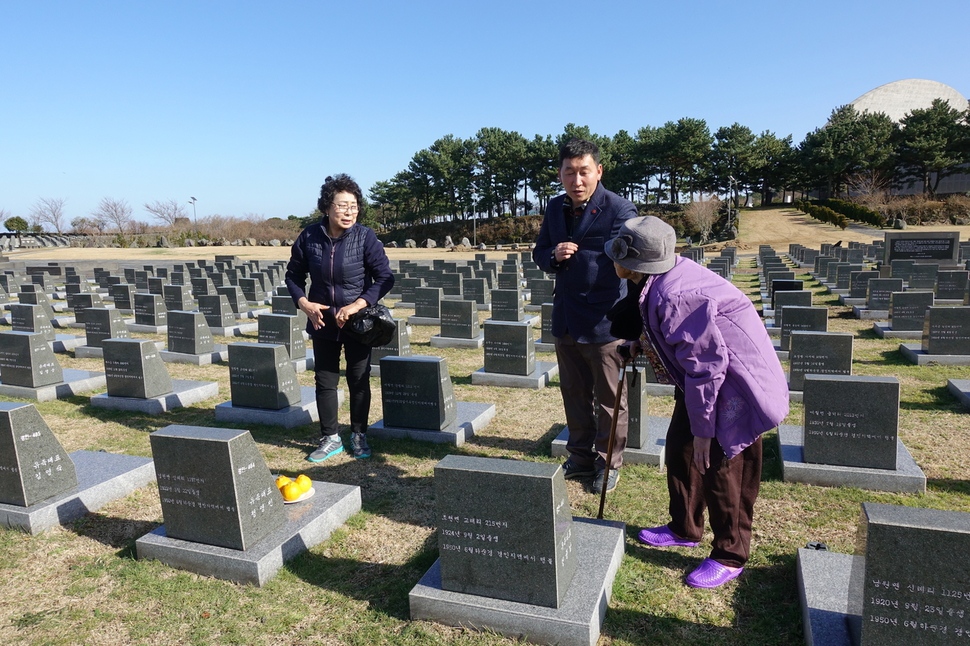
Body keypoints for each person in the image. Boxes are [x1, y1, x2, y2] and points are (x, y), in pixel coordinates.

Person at [604, 216, 789, 589]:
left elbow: (707, 367)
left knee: (721, 468)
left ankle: (730, 553)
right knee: (681, 452)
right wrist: (641, 344)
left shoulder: (676, 295)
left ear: (632, 262)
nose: (610, 259)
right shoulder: (659, 279)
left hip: (735, 388)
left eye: (615, 253)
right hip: (704, 382)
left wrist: (705, 430)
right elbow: (678, 337)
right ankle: (685, 527)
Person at [532, 138, 637, 494]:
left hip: (605, 320)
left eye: (584, 172)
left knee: (609, 401)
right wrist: (553, 255)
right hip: (566, 317)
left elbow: (627, 260)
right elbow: (540, 250)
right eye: (569, 172)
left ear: (598, 171)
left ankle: (608, 465)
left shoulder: (620, 210)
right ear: (560, 174)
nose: (577, 180)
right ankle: (579, 458)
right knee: (574, 394)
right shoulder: (554, 208)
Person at [285, 174, 394, 462]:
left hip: (358, 323)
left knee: (358, 379)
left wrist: (359, 304)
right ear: (326, 206)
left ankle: (359, 434)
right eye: (343, 205)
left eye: (354, 206)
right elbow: (293, 275)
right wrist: (304, 302)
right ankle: (330, 437)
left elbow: (384, 277)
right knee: (325, 380)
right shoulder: (309, 236)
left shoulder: (365, 237)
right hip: (323, 321)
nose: (349, 212)